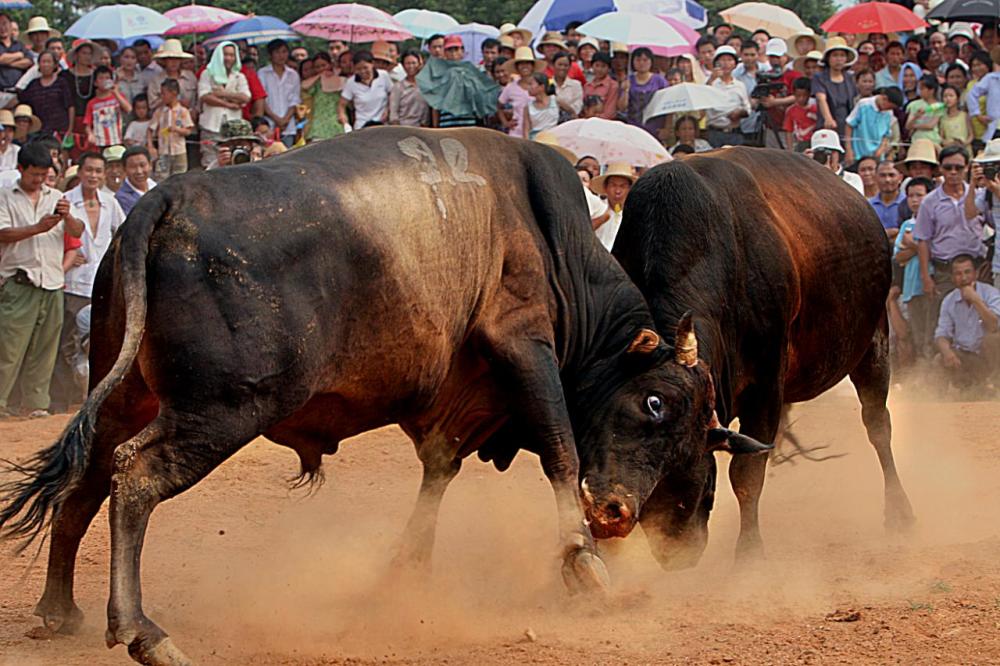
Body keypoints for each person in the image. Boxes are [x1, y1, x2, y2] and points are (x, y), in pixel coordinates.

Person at [0, 143, 83, 418]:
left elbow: (77, 231)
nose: (38, 180)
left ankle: (35, 404)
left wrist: (67, 215)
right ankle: (1, 403)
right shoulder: (5, 196)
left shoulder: (57, 196)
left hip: (52, 280)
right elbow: (2, 234)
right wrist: (39, 228)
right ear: (21, 169)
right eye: (34, 174)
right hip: (18, 281)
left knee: (45, 350)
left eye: (43, 174)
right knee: (8, 348)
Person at [51, 151, 125, 412]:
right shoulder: (65, 201)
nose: (93, 175)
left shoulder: (110, 201)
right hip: (73, 282)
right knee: (67, 343)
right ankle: (62, 400)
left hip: (102, 285)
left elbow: (122, 235)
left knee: (102, 343)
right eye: (89, 170)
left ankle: (95, 400)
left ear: (103, 174)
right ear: (80, 172)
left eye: (98, 171)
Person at [916, 145, 985, 317]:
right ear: (940, 168)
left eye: (959, 168)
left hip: (977, 268)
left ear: (967, 168)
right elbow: (923, 240)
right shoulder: (929, 202)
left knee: (980, 321)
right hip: (945, 272)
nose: (953, 172)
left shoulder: (980, 196)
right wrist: (926, 278)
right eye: (948, 168)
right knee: (942, 322)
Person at [934, 254, 1000, 389]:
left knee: (993, 339)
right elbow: (941, 334)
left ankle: (995, 387)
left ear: (976, 274)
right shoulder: (949, 300)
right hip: (964, 356)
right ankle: (942, 403)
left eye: (967, 272)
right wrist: (947, 352)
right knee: (938, 359)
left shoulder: (991, 293)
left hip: (988, 357)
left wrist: (975, 300)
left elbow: (993, 325)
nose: (963, 278)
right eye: (958, 274)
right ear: (952, 278)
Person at [894, 177, 935, 359]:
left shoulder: (936, 220)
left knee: (932, 334)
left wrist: (911, 244)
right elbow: (899, 257)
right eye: (910, 195)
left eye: (920, 195)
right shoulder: (906, 225)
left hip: (932, 282)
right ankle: (921, 378)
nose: (915, 199)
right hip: (911, 287)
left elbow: (938, 253)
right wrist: (918, 247)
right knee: (917, 336)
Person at [198, 41, 250, 168]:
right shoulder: (207, 74)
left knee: (234, 160)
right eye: (226, 54)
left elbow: (245, 97)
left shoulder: (239, 76)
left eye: (232, 55)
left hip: (234, 128)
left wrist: (221, 93)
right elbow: (204, 96)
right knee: (209, 160)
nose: (229, 58)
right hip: (211, 125)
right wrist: (230, 104)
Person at [257, 39, 301, 147]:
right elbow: (262, 99)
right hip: (269, 125)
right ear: (270, 54)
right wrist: (276, 119)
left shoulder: (293, 75)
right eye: (277, 52)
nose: (281, 55)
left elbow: (295, 99)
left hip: (288, 126)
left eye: (284, 51)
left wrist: (285, 119)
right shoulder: (262, 73)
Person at [147, 78, 193, 180]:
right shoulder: (159, 112)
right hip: (163, 151)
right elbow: (150, 129)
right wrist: (150, 146)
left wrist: (177, 130)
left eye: (164, 94)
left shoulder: (183, 111)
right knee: (161, 176)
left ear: (174, 93)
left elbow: (188, 130)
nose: (162, 97)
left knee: (180, 176)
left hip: (179, 151)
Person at [17, 50, 71, 138]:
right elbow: (23, 100)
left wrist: (70, 128)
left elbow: (70, 106)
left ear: (55, 65)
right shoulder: (33, 84)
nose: (46, 65)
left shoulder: (62, 83)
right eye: (43, 62)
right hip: (39, 129)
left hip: (60, 128)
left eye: (49, 62)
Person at [813, 37, 859, 139]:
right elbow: (821, 99)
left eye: (842, 55)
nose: (839, 59)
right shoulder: (819, 77)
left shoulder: (850, 78)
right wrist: (828, 118)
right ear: (828, 58)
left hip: (847, 125)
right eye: (835, 55)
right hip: (828, 125)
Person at [706, 46, 750, 147]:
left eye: (729, 60)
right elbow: (703, 103)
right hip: (715, 132)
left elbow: (747, 108)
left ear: (735, 64)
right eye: (723, 60)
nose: (726, 63)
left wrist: (739, 113)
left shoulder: (740, 85)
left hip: (734, 132)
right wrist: (711, 80)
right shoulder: (710, 83)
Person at [845, 86, 903, 163]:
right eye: (888, 107)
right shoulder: (863, 104)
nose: (888, 109)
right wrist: (849, 150)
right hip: (858, 154)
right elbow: (849, 125)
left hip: (877, 156)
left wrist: (881, 148)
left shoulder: (889, 113)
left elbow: (886, 134)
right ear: (884, 98)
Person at [619, 47, 668, 136]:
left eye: (645, 60)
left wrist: (666, 128)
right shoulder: (629, 80)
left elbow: (667, 105)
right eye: (638, 60)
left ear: (651, 61)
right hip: (633, 128)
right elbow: (621, 107)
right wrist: (625, 90)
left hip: (655, 128)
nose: (641, 63)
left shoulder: (659, 80)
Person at [971, 140, 1000, 289]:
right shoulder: (987, 192)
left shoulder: (994, 189)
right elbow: (969, 213)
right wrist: (972, 182)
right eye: (991, 165)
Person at [339, 50, 392, 130]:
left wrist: (388, 109)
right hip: (362, 125)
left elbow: (392, 94)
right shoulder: (351, 83)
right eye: (358, 69)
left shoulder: (383, 76)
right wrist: (343, 119)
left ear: (372, 64)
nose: (362, 71)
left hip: (382, 123)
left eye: (365, 68)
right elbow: (341, 105)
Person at [83, 65, 132, 149]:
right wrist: (90, 134)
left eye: (107, 78)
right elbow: (87, 123)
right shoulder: (92, 103)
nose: (104, 81)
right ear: (95, 82)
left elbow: (128, 109)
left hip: (117, 139)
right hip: (100, 141)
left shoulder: (117, 97)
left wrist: (116, 93)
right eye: (101, 78)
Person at [590, 162, 635, 251]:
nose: (618, 191)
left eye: (623, 186)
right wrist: (602, 218)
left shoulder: (635, 213)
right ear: (605, 187)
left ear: (630, 189)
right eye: (613, 185)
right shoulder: (596, 208)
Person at [147, 39, 198, 116]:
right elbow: (152, 106)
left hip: (189, 119)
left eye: (176, 58)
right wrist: (170, 100)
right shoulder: (156, 80)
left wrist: (194, 111)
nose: (174, 62)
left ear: (180, 60)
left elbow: (198, 99)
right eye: (170, 58)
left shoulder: (190, 77)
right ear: (164, 61)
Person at [300, 52, 344, 141]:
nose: (321, 68)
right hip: (318, 125)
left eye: (323, 65)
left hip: (336, 122)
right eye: (317, 67)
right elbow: (304, 85)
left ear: (330, 64)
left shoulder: (341, 79)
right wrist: (319, 76)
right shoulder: (315, 83)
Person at [498, 47, 539, 135]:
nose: (525, 66)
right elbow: (499, 106)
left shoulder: (540, 85)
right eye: (521, 64)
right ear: (517, 67)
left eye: (527, 63)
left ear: (532, 66)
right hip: (517, 132)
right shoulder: (510, 87)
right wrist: (505, 123)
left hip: (537, 130)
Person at [810, 128, 864, 193]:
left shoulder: (852, 178)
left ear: (838, 153)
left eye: (830, 151)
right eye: (820, 153)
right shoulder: (808, 179)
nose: (827, 156)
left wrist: (828, 177)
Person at [389, 49, 429, 127]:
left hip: (422, 129)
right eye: (408, 63)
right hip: (403, 129)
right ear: (403, 65)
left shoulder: (426, 86)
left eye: (414, 63)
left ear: (419, 64)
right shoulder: (398, 87)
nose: (411, 66)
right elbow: (393, 114)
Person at [870, 160, 905, 239]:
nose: (887, 180)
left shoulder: (908, 203)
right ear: (875, 178)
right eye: (882, 175)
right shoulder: (868, 205)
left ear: (900, 178)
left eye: (891, 175)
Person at [114, 145, 155, 215]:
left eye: (142, 165)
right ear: (124, 169)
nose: (139, 171)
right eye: (133, 167)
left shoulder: (157, 186)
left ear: (150, 165)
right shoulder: (121, 198)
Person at [906, 74, 944, 146]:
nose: (920, 91)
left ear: (931, 90)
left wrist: (914, 126)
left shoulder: (939, 106)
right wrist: (916, 117)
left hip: (932, 141)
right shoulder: (914, 105)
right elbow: (908, 126)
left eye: (922, 89)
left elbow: (931, 125)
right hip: (916, 140)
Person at [783, 77, 817, 151]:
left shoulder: (816, 109)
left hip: (814, 142)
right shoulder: (791, 111)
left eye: (805, 96)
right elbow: (789, 131)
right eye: (798, 96)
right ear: (794, 94)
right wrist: (790, 149)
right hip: (799, 143)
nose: (801, 98)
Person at [582, 52, 618, 120]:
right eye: (597, 65)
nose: (599, 69)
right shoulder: (587, 86)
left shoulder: (613, 86)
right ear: (592, 66)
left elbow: (610, 112)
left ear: (609, 68)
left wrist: (593, 117)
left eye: (603, 66)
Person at [525, 72, 558, 139]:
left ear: (541, 87)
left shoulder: (555, 101)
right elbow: (526, 129)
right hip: (536, 142)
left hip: (554, 140)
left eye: (531, 84)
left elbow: (571, 113)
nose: (528, 87)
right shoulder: (528, 107)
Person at [551, 51, 582, 121]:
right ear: (553, 65)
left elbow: (577, 108)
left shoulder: (576, 85)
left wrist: (559, 102)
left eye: (565, 65)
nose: (562, 68)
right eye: (559, 64)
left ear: (569, 67)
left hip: (569, 123)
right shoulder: (547, 84)